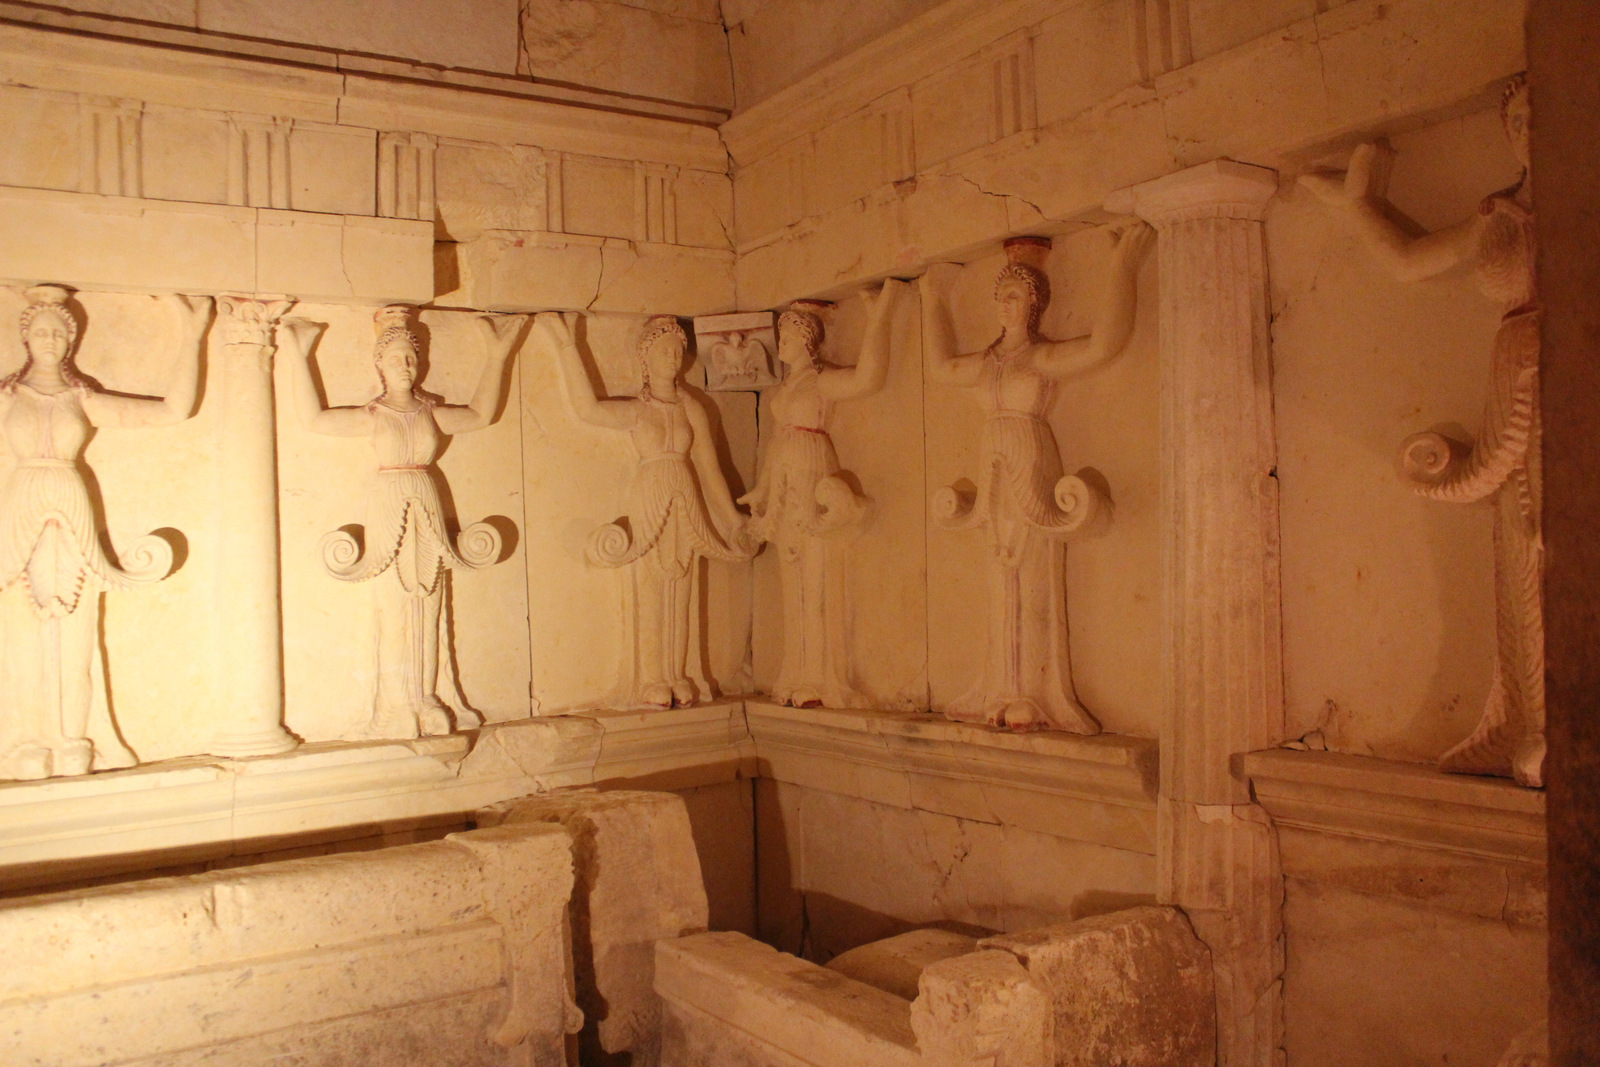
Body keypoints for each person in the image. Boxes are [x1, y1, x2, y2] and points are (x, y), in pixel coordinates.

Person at [1300, 74, 1544, 786]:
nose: (1528, 129)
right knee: (1526, 546)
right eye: (1516, 119)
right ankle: (1540, 720)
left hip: (1570, 367)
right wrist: (1361, 207)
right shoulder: (1499, 215)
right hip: (1516, 370)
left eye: (1540, 113)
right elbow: (1410, 261)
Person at [921, 225, 1153, 731]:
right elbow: (939, 367)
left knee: (1032, 573)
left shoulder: (1039, 357)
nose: (1004, 305)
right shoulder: (987, 363)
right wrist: (933, 298)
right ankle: (998, 687)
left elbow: (1105, 344)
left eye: (1014, 296)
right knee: (998, 576)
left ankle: (1034, 691)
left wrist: (1123, 265)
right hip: (993, 463)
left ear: (1033, 303)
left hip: (1029, 457)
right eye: (1000, 296)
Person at [281, 305, 523, 739]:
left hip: (425, 503)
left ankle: (426, 698)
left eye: (411, 358)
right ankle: (396, 703)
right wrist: (299, 356)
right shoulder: (375, 415)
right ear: (380, 365)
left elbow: (481, 415)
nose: (406, 366)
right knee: (393, 606)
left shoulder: (429, 412)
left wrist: (498, 354)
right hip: (390, 504)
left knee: (427, 601)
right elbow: (314, 419)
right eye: (396, 359)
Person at [0, 285, 208, 779]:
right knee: (20, 629)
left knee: (76, 628)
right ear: (26, 338)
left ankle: (73, 739)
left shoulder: (81, 398)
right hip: (21, 506)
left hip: (71, 507)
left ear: (70, 341)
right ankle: (26, 741)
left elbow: (173, 410)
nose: (49, 340)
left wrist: (193, 336)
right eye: (41, 331)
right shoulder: (7, 397)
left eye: (58, 333)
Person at [536, 312, 755, 708]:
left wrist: (732, 517)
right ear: (646, 357)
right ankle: (653, 677)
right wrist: (567, 346)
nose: (674, 359)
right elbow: (587, 410)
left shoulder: (691, 407)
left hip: (684, 493)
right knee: (652, 583)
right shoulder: (639, 409)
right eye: (665, 351)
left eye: (679, 352)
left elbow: (710, 469)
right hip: (651, 493)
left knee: (682, 581)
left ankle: (677, 674)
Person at [739, 281, 904, 708]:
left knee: (817, 576)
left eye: (789, 336)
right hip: (786, 477)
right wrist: (762, 488)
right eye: (781, 335)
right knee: (792, 576)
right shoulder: (786, 388)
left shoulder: (821, 381)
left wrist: (878, 318)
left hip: (812, 467)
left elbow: (867, 378)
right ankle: (796, 672)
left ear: (807, 342)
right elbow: (777, 440)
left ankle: (822, 677)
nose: (782, 342)